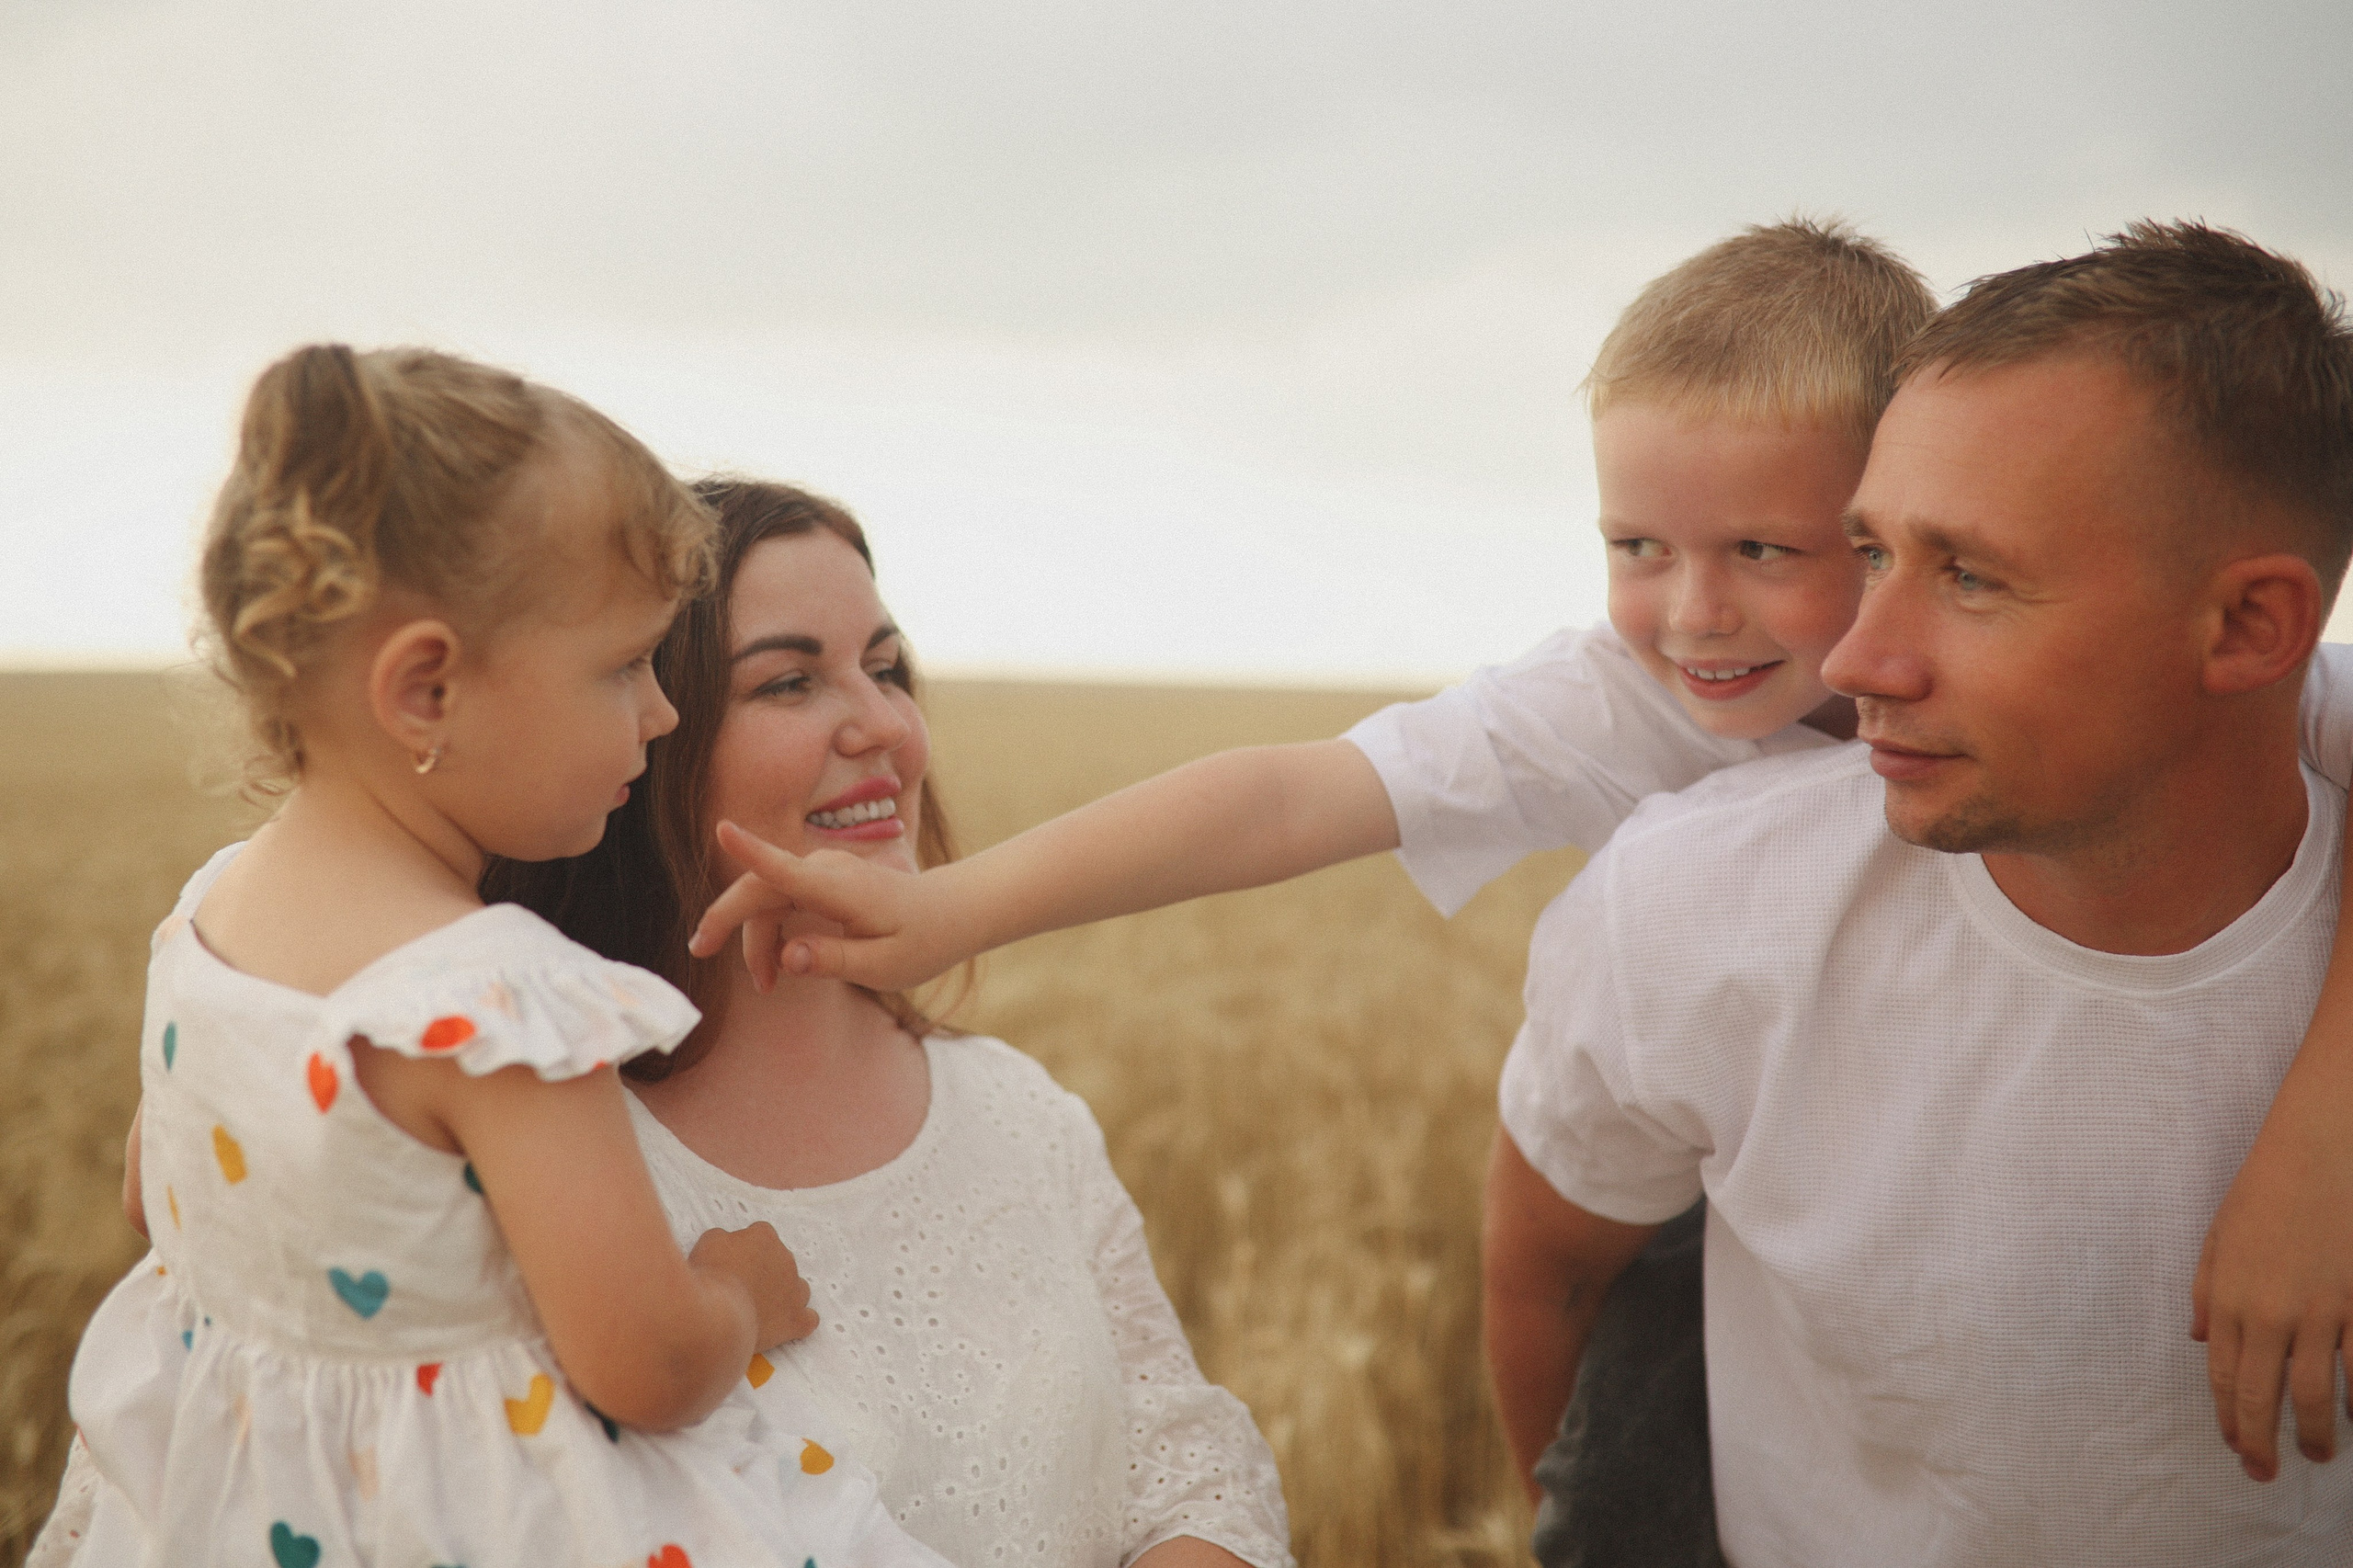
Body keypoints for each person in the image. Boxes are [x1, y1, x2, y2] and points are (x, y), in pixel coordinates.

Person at [679, 220, 2353, 1555]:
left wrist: (2320, 1122)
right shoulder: (1622, 713)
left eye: (1769, 551)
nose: (1695, 614)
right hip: (1690, 1184)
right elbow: (1291, 794)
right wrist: (964, 910)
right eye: (1636, 548)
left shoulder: (2166, 697)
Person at [1484, 221, 2353, 1564]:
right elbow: (1549, 1274)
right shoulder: (1690, 907)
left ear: (2247, 627)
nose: (1863, 654)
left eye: (1971, 576)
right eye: (1873, 553)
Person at [37, 347, 949, 1568]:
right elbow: (646, 1362)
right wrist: (738, 1295)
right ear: (427, 690)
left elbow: (159, 1195)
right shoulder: (493, 1002)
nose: (663, 713)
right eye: (624, 666)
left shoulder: (211, 913)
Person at [484, 479, 1293, 1568]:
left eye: (885, 667)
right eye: (789, 682)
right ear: (636, 736)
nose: (881, 726)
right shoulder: (544, 1148)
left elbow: (1190, 1472)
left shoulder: (1017, 1109)